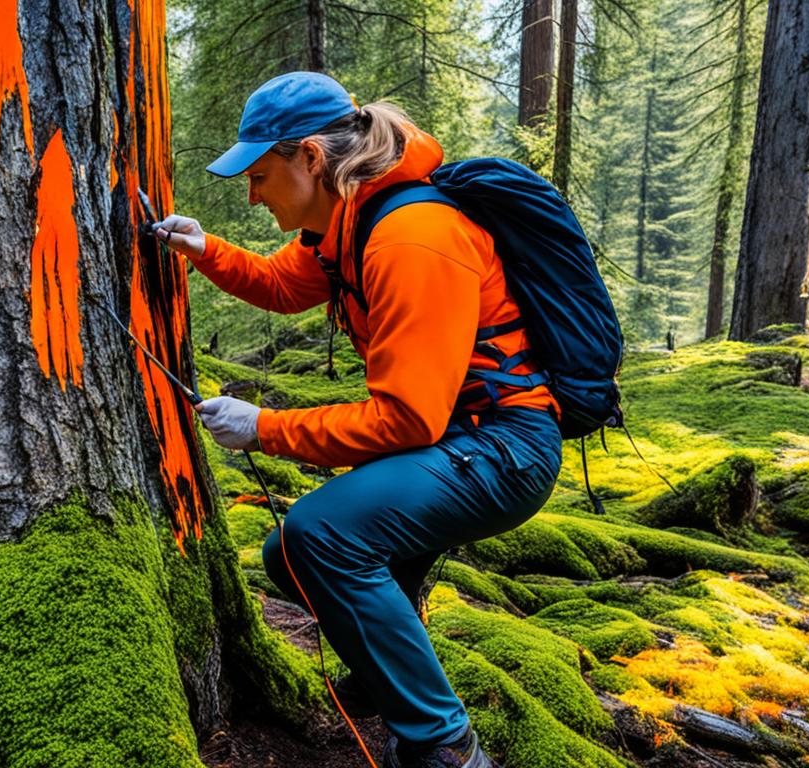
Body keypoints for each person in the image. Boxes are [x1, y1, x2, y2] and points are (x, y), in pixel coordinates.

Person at [153, 72, 564, 768]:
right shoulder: (347, 222)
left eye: (259, 174)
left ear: (310, 157)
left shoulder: (410, 236)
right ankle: (389, 679)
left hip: (504, 446)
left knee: (322, 536)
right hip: (459, 440)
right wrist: (208, 250)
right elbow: (286, 285)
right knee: (289, 555)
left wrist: (266, 428)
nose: (251, 195)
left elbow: (406, 418)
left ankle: (445, 747)